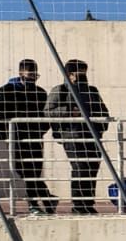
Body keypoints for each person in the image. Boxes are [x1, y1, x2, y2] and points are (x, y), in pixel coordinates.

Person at [0, 59, 55, 215]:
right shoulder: (6, 91)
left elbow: (45, 115)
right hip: (16, 137)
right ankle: (45, 198)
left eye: (35, 75)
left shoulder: (39, 92)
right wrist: (2, 132)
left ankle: (34, 204)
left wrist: (40, 130)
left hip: (34, 137)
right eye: (29, 75)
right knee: (23, 170)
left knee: (33, 171)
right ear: (20, 73)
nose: (32, 79)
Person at [45, 58, 110, 215]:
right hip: (72, 135)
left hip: (92, 135)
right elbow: (48, 111)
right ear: (69, 74)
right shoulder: (60, 90)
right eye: (78, 73)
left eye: (84, 72)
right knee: (80, 168)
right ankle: (78, 205)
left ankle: (88, 203)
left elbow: (103, 111)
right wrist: (69, 111)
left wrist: (100, 125)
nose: (82, 76)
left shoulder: (91, 91)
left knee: (92, 168)